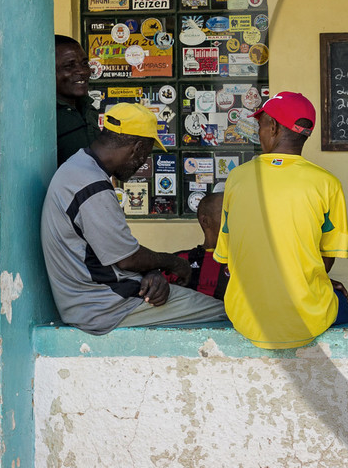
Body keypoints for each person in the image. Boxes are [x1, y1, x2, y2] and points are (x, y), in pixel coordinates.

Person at [42, 103, 226, 332]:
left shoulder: (78, 167)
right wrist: (174, 263)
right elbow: (127, 259)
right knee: (225, 313)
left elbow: (117, 252)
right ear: (137, 148)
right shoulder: (92, 185)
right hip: (104, 306)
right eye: (145, 155)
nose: (142, 163)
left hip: (95, 298)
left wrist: (152, 271)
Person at [214, 91, 348, 350]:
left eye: (260, 125)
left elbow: (228, 259)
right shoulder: (327, 183)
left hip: (245, 317)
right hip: (308, 320)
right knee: (342, 302)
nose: (259, 132)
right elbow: (327, 258)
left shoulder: (236, 179)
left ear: (274, 126)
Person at [176, 191, 231, 300]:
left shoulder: (246, 260)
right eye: (225, 214)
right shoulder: (182, 261)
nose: (233, 219)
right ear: (205, 221)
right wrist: (153, 276)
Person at [55, 34, 97, 166]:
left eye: (84, 63)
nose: (82, 71)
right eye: (69, 66)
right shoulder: (46, 118)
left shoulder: (88, 109)